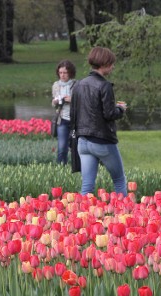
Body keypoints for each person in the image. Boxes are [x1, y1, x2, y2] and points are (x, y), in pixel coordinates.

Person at [70, 46, 128, 197]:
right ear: (104, 64)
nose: (113, 66)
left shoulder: (78, 85)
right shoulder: (104, 85)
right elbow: (109, 114)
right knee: (119, 180)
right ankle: (128, 215)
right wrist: (120, 109)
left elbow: (74, 113)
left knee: (87, 186)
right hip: (102, 141)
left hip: (83, 141)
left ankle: (82, 217)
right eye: (111, 63)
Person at [51, 60, 76, 165]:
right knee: (62, 147)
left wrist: (72, 99)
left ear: (70, 72)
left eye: (65, 72)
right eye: (60, 72)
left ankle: (78, 168)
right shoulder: (56, 85)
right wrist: (55, 101)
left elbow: (83, 102)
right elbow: (54, 104)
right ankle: (61, 170)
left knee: (76, 146)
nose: (62, 75)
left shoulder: (76, 84)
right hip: (62, 120)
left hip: (75, 120)